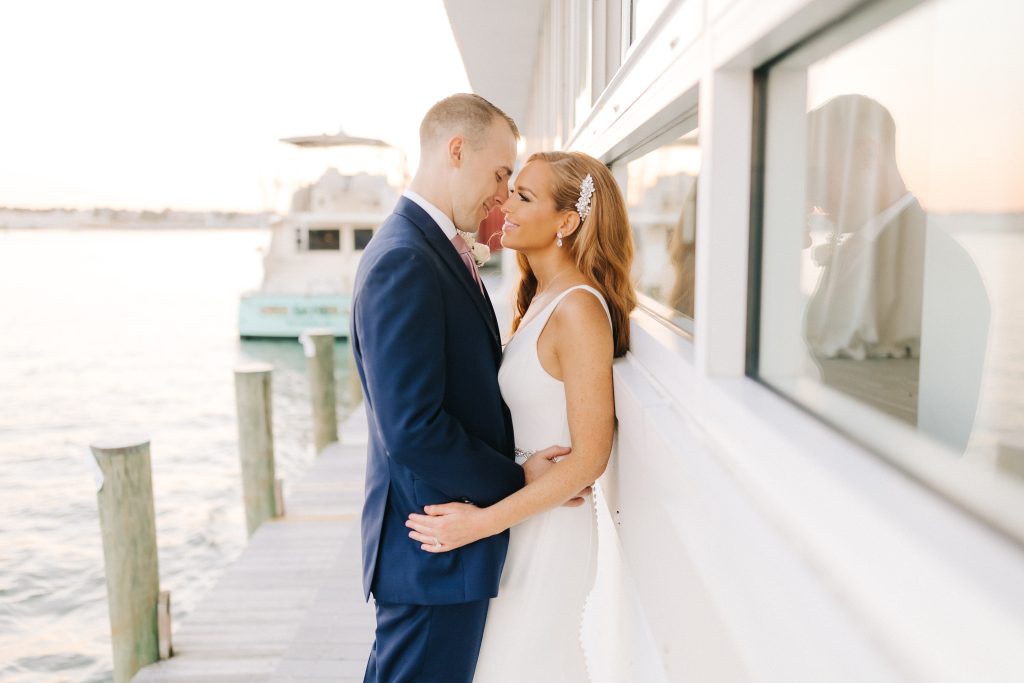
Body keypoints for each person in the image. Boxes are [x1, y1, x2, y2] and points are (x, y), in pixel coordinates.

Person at [350, 94, 575, 683]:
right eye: (501, 173)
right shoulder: (406, 258)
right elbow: (412, 428)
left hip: (446, 545)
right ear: (457, 151)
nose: (503, 194)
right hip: (435, 543)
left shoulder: (432, 248)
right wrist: (517, 484)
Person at [406, 151, 637, 681]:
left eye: (524, 196)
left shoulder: (578, 309)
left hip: (549, 526)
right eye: (510, 190)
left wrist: (478, 524)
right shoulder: (541, 297)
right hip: (522, 516)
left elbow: (590, 459)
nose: (505, 202)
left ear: (567, 222)